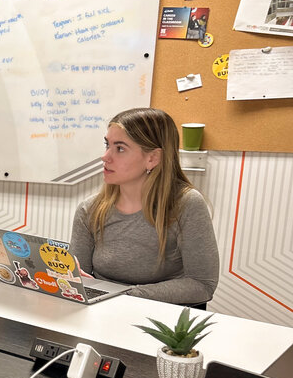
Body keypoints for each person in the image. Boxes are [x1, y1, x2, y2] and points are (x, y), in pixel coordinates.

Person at [70, 108, 219, 307]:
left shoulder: (186, 204)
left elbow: (202, 285)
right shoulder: (90, 209)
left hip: (160, 323)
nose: (105, 157)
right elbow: (78, 281)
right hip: (101, 317)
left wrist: (124, 296)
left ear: (152, 158)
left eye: (120, 148)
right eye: (107, 145)